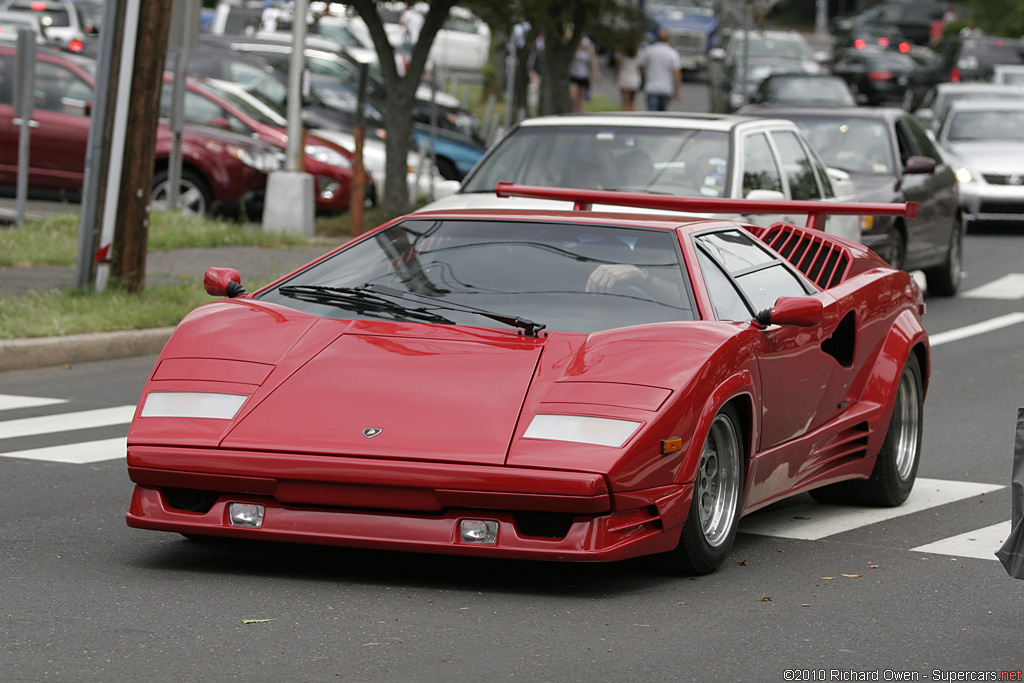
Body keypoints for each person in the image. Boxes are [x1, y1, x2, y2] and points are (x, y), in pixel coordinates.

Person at [639, 29, 682, 111]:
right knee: (663, 114)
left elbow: (641, 65)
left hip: (651, 87)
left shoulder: (649, 50)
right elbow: (676, 73)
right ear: (669, 39)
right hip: (666, 88)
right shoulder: (672, 53)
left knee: (652, 113)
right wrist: (677, 90)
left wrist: (644, 75)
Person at [569, 33, 601, 113]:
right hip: (574, 75)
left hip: (584, 76)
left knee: (581, 99)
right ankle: (574, 113)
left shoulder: (587, 44)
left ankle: (580, 114)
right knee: (573, 97)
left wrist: (596, 73)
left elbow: (593, 60)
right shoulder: (572, 43)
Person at [615, 43, 642, 111]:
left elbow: (618, 66)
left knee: (625, 102)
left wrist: (615, 76)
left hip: (624, 77)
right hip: (635, 78)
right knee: (632, 102)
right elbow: (640, 67)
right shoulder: (639, 53)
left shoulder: (621, 53)